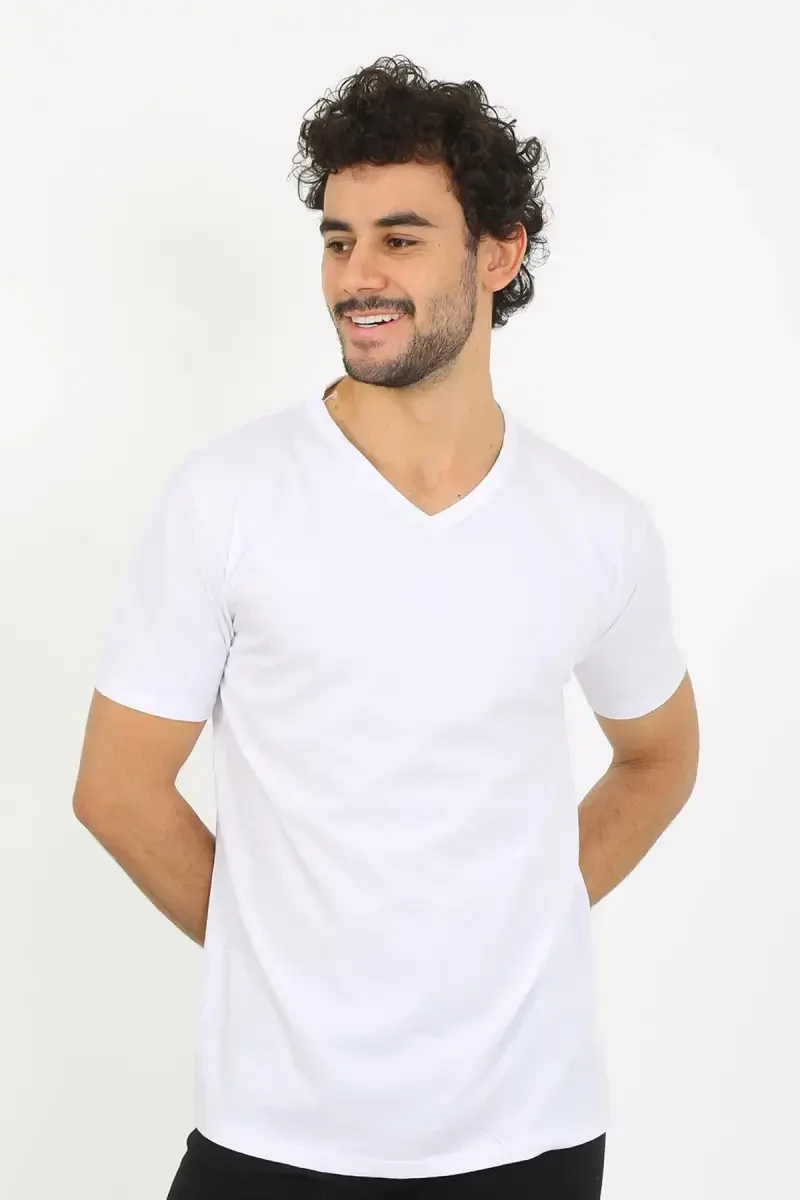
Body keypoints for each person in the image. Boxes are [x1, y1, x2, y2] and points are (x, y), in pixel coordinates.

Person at [73, 55, 699, 1199]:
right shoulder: (227, 498)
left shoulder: (594, 526)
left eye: (399, 238)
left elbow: (657, 756)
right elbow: (116, 790)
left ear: (497, 253)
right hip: (274, 1133)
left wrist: (518, 925)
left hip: (532, 1133)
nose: (355, 274)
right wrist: (288, 968)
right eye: (336, 239)